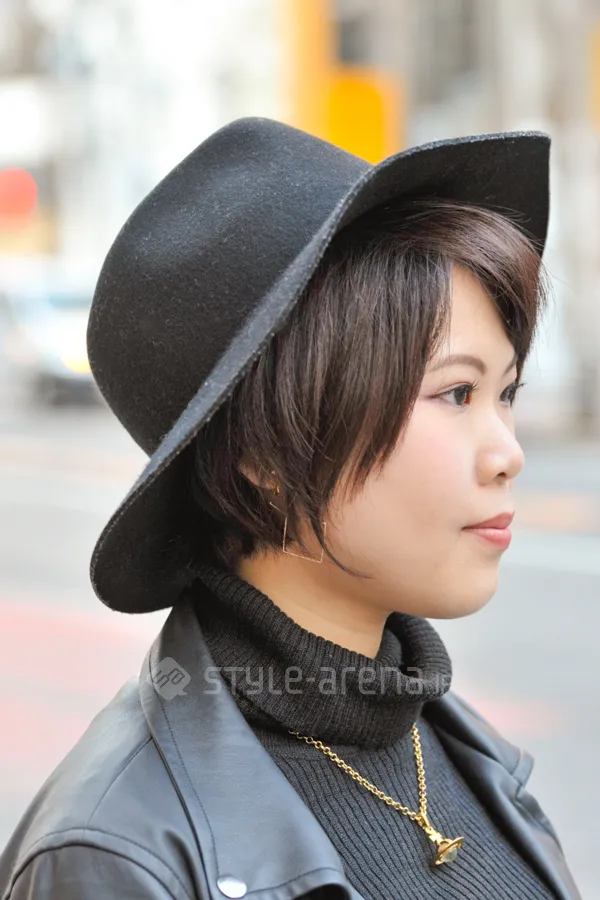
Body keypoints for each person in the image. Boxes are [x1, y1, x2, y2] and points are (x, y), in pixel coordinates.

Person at [0, 118, 582, 900]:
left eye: (505, 393)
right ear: (267, 454)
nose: (506, 452)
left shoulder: (466, 755)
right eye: (455, 393)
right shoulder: (114, 855)